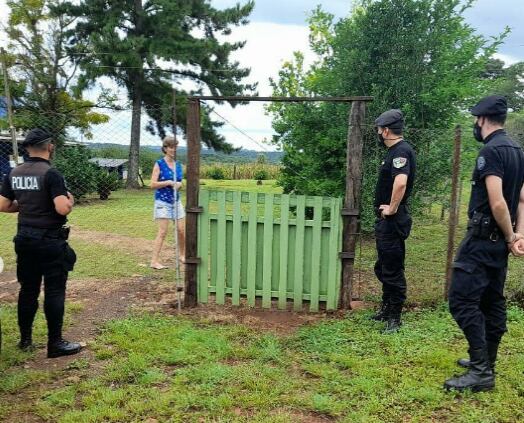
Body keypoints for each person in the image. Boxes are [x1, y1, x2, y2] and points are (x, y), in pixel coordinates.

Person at [444, 95, 524, 393]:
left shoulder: (490, 152)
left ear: (481, 120)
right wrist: (519, 234)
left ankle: (480, 372)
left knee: (462, 301)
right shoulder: (517, 150)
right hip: (500, 244)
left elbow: (499, 201)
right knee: (492, 301)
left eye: (475, 120)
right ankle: (487, 361)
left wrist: (509, 235)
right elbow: (522, 198)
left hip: (483, 240)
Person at [0, 128, 82, 358]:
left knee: (28, 289)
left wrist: (25, 207)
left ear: (27, 148)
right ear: (50, 146)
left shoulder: (14, 172)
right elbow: (62, 208)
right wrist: (70, 200)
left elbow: (3, 205)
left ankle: (25, 340)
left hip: (24, 238)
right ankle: (55, 343)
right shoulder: (51, 174)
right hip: (50, 240)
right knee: (54, 290)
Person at [371, 109, 416, 333]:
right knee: (383, 267)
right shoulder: (394, 152)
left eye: (379, 130)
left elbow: (400, 183)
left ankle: (395, 319)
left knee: (392, 270)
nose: (378, 134)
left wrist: (391, 209)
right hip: (386, 222)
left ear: (386, 130)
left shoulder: (401, 151)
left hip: (392, 221)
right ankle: (386, 309)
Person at [150, 135, 185, 269]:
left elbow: (180, 181)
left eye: (175, 147)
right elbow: (152, 184)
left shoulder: (178, 165)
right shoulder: (159, 164)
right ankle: (154, 261)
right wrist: (168, 182)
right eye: (171, 147)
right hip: (162, 202)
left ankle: (182, 256)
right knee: (163, 232)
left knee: (181, 230)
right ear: (165, 148)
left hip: (176, 201)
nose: (173, 150)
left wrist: (178, 184)